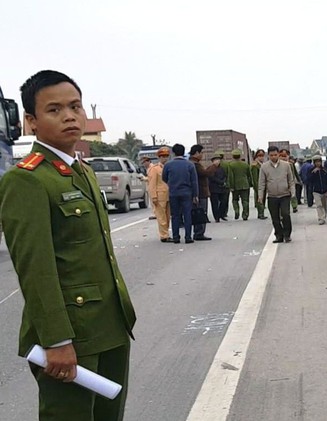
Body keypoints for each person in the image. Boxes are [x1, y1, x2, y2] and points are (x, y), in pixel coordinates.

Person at [0, 69, 136, 420]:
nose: (69, 116)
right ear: (31, 121)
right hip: (69, 336)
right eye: (55, 109)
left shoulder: (83, 171)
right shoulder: (27, 180)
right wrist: (57, 341)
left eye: (75, 106)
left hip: (109, 325)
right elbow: (36, 269)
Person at [163, 143, 199, 244]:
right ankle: (188, 237)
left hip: (173, 193)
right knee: (187, 215)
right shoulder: (189, 165)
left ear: (173, 153)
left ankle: (176, 237)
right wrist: (195, 195)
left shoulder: (168, 165)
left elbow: (164, 178)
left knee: (175, 215)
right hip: (187, 193)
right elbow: (194, 181)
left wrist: (171, 184)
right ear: (183, 152)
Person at [259, 146, 295, 243]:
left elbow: (291, 180)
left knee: (285, 214)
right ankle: (279, 236)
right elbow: (262, 183)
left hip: (285, 195)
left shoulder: (286, 165)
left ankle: (287, 235)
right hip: (272, 196)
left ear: (278, 154)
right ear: (268, 155)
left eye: (275, 155)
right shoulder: (264, 167)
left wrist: (293, 192)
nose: (274, 157)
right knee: (275, 217)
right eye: (271, 155)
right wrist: (260, 196)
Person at [188, 144, 218, 241]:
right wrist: (214, 166)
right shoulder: (195, 165)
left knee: (198, 212)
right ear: (196, 153)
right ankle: (199, 233)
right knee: (201, 212)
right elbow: (205, 173)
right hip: (200, 192)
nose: (202, 155)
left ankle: (198, 232)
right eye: (201, 153)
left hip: (197, 192)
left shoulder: (192, 163)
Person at [148, 146, 172, 242]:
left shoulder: (170, 167)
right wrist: (154, 196)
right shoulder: (155, 169)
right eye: (162, 156)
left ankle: (166, 233)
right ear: (159, 157)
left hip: (169, 195)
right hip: (159, 196)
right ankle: (164, 236)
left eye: (166, 156)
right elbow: (152, 184)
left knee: (167, 216)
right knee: (161, 217)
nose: (165, 158)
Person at [227, 149, 252, 220]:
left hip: (235, 186)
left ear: (233, 156)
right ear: (240, 156)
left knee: (235, 200)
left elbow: (231, 176)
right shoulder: (245, 164)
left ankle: (237, 210)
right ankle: (245, 215)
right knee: (245, 201)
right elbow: (249, 175)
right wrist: (250, 184)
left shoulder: (231, 165)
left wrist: (231, 186)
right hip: (245, 185)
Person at [309, 156, 327, 224]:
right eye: (316, 162)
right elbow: (308, 180)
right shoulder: (311, 170)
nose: (318, 163)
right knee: (319, 205)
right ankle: (321, 218)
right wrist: (313, 173)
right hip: (316, 191)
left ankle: (324, 215)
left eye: (319, 162)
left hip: (324, 190)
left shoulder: (324, 170)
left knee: (324, 205)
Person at [208, 152, 228, 223]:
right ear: (213, 161)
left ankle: (221, 214)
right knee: (214, 203)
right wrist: (220, 182)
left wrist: (224, 181)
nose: (218, 161)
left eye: (219, 160)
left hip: (222, 188)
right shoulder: (210, 168)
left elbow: (225, 176)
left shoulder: (221, 168)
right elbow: (211, 178)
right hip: (214, 188)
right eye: (216, 160)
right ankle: (217, 217)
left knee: (223, 202)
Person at [279, 149, 300, 213]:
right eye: (282, 156)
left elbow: (295, 172)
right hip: (282, 183)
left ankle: (294, 206)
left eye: (285, 156)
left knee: (293, 195)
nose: (283, 158)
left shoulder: (290, 164)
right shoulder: (278, 165)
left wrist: (299, 180)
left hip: (291, 182)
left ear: (288, 156)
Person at [249, 149, 268, 219]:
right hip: (259, 186)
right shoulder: (255, 165)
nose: (261, 157)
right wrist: (257, 188)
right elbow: (255, 178)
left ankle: (261, 213)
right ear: (256, 156)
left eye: (263, 155)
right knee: (259, 199)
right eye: (259, 156)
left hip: (264, 185)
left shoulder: (263, 165)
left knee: (263, 200)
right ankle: (260, 214)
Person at [214, 149, 231, 221]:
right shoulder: (227, 164)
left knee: (216, 202)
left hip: (216, 186)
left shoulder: (213, 165)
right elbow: (229, 175)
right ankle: (223, 213)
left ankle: (217, 216)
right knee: (224, 201)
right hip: (225, 185)